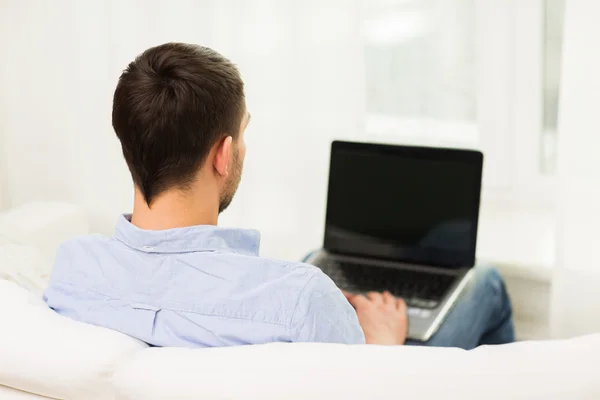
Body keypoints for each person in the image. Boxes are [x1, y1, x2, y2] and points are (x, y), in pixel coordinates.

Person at [44, 43, 514, 349]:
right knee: (486, 284)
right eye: (242, 133)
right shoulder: (301, 299)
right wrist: (384, 346)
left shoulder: (73, 269)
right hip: (375, 362)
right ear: (223, 155)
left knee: (316, 256)